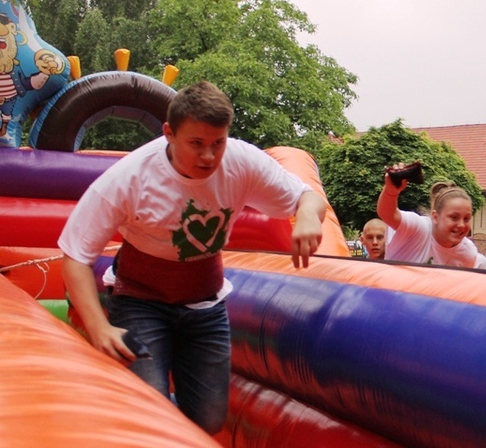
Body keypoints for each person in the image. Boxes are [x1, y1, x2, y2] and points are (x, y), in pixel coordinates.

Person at [58, 81, 326, 434]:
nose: (209, 157)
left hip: (205, 305)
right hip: (141, 302)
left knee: (209, 418)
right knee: (148, 407)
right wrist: (98, 326)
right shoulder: (130, 177)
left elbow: (308, 196)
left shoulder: (241, 161)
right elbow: (75, 255)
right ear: (169, 133)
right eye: (196, 144)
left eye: (218, 143)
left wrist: (307, 215)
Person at [377, 164, 486, 269]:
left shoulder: (467, 252)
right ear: (435, 217)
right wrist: (390, 192)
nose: (461, 225)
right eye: (454, 217)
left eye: (467, 218)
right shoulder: (419, 228)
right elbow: (387, 213)